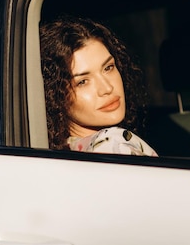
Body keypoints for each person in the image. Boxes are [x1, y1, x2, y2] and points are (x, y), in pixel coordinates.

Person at [40, 15, 157, 156]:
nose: (107, 88)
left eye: (108, 67)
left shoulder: (64, 152)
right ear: (53, 96)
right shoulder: (113, 144)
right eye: (82, 82)